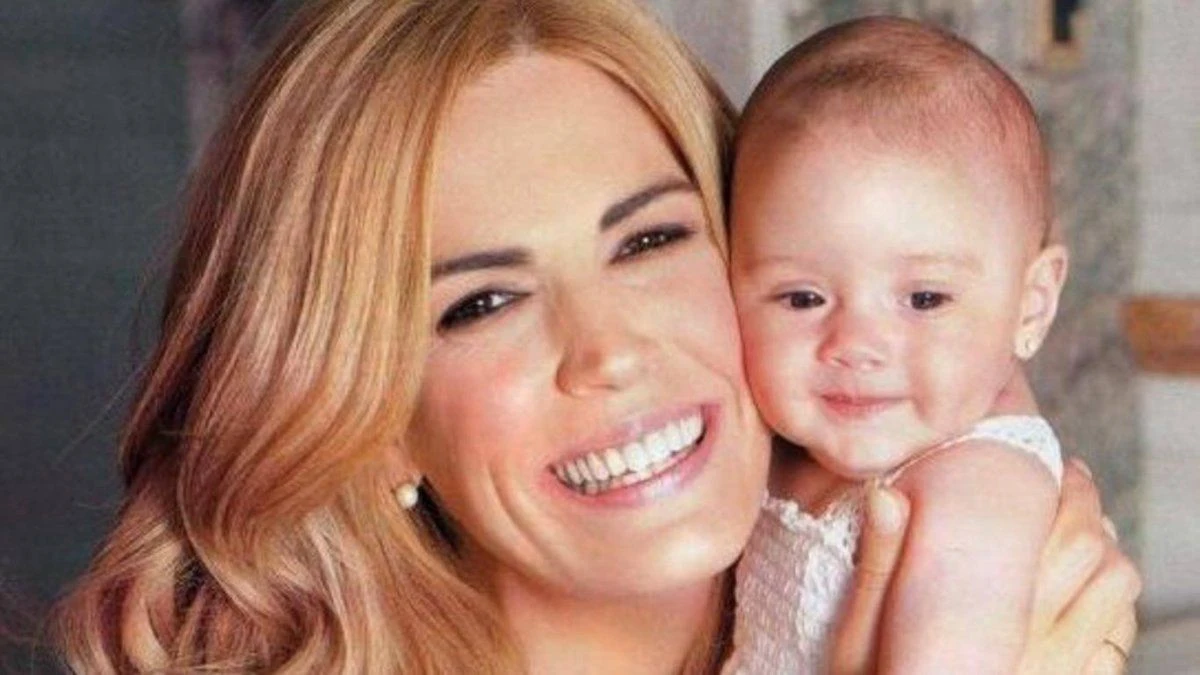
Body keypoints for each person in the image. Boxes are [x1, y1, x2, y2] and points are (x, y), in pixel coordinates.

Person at [52, 1, 1138, 673]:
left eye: (650, 240)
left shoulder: (983, 558)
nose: (609, 350)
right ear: (370, 420)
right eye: (481, 303)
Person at [725, 16, 1101, 673]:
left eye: (925, 299)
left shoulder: (977, 484)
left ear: (1031, 305)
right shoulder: (781, 443)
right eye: (803, 298)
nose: (856, 346)